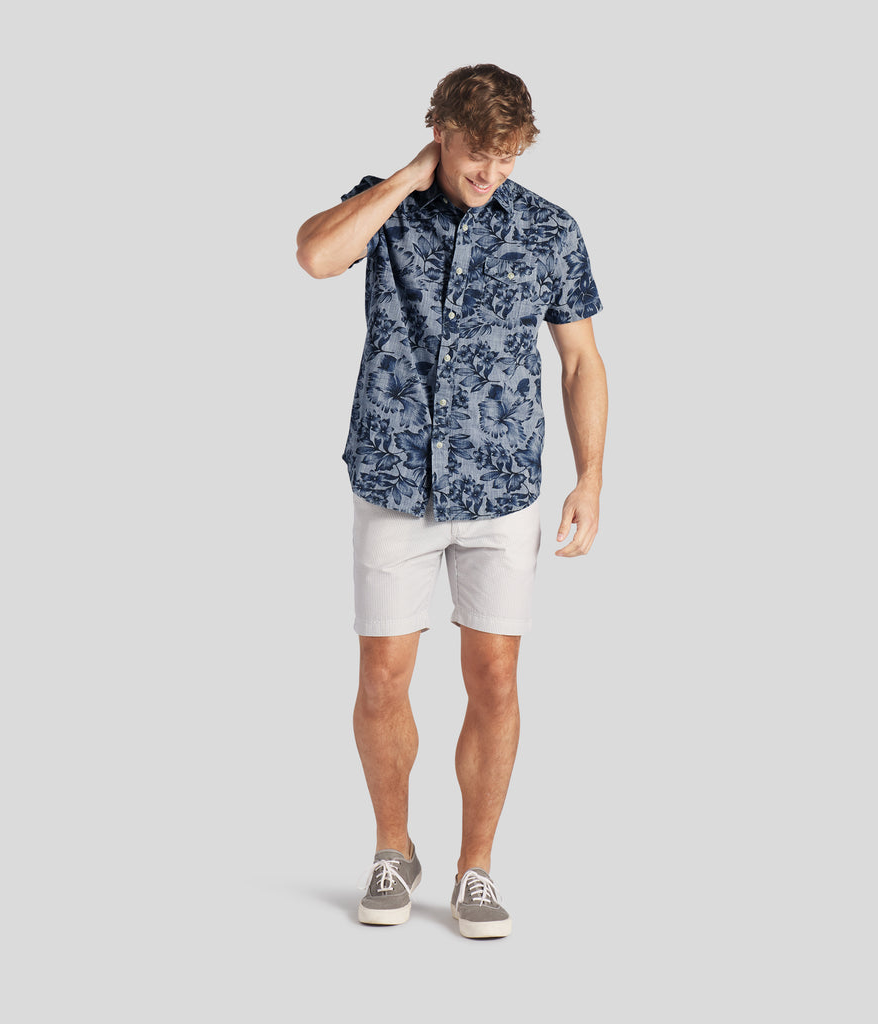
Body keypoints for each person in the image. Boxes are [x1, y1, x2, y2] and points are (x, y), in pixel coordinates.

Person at [296, 64, 608, 939]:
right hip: (394, 480)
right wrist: (406, 178)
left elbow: (581, 361)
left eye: (508, 159)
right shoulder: (387, 207)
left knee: (496, 677)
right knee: (382, 679)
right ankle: (392, 849)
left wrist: (590, 477)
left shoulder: (549, 229)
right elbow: (316, 257)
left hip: (501, 489)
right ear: (441, 130)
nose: (491, 174)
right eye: (479, 155)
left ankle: (477, 867)